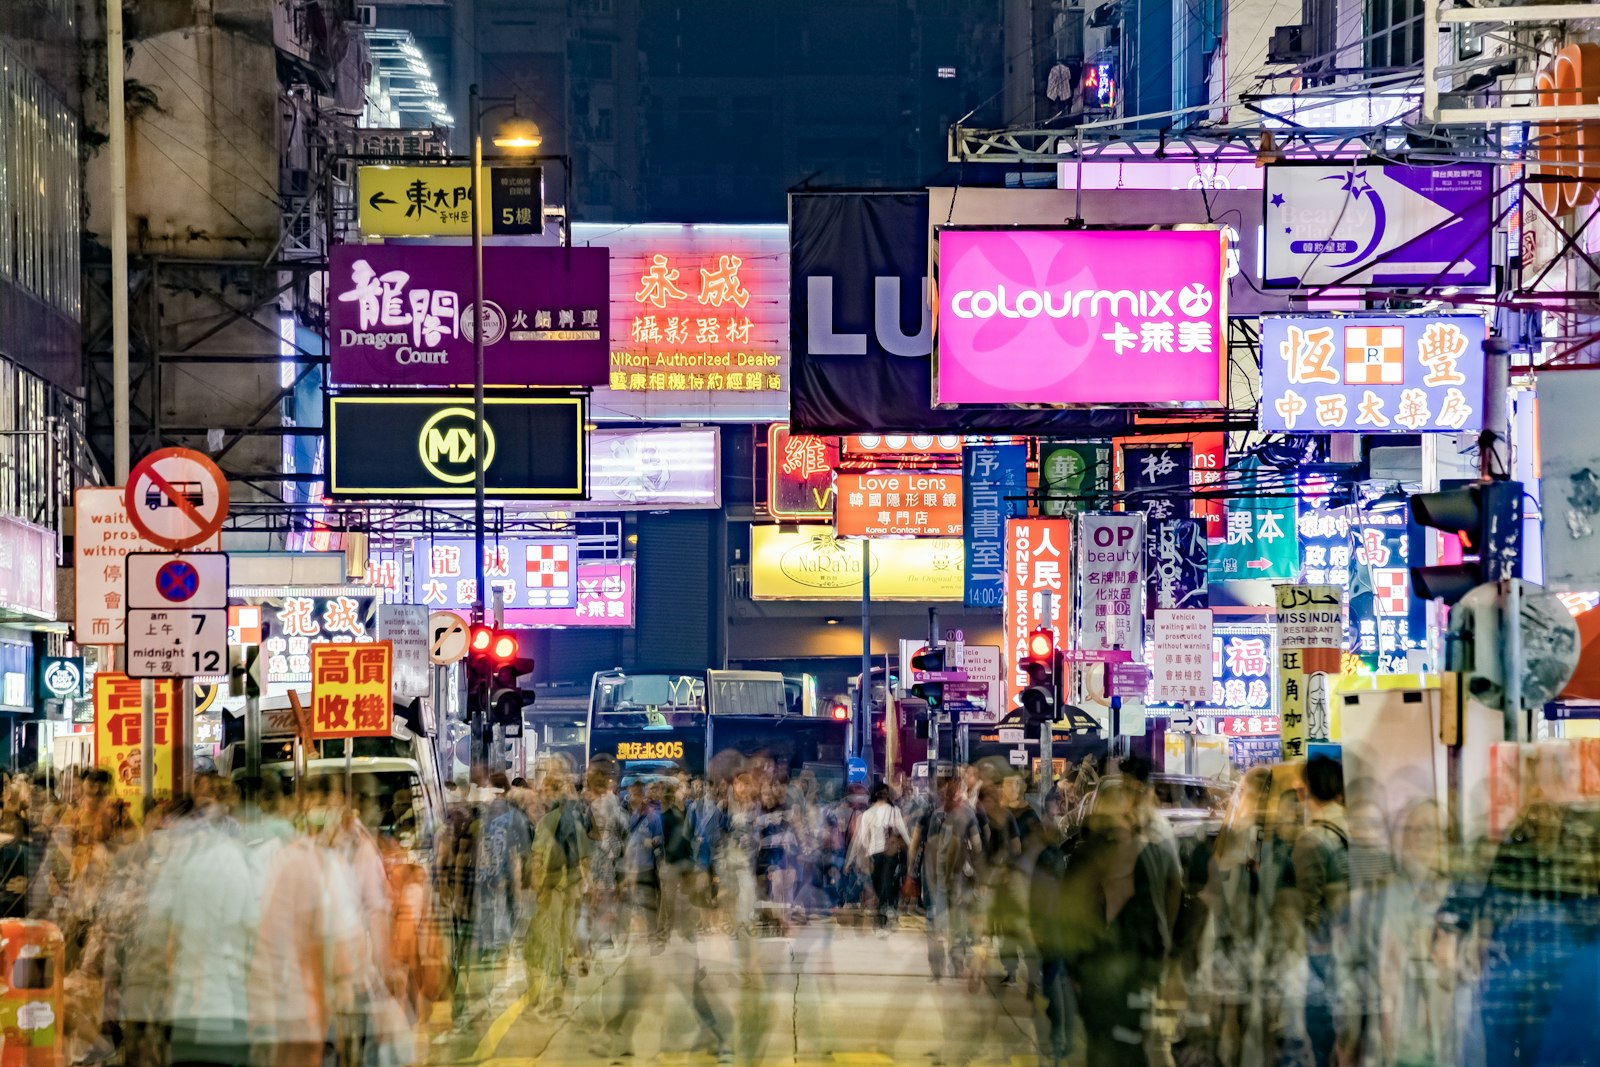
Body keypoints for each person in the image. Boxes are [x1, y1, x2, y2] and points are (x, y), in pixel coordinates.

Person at [1279, 755, 1351, 1067]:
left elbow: (1307, 905)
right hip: (1355, 948)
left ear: (1307, 791)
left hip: (1324, 953)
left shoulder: (1312, 839)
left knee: (1322, 1040)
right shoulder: (1356, 826)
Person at [849, 782, 910, 937]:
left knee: (881, 885)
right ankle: (883, 919)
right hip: (881, 854)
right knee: (881, 885)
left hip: (881, 853)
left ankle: (881, 922)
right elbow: (902, 830)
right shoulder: (882, 812)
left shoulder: (877, 813)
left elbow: (862, 839)